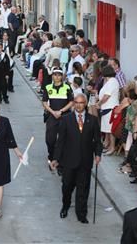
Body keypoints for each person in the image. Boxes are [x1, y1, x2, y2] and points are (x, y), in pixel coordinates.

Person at [51, 94, 102, 224]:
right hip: (69, 160)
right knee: (67, 186)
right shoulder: (66, 119)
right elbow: (60, 141)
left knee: (83, 188)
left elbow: (97, 141)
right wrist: (56, 158)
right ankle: (65, 206)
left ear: (85, 104)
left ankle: (81, 213)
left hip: (85, 161)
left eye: (81, 102)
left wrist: (98, 154)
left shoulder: (93, 120)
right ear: (74, 103)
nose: (79, 105)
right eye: (76, 102)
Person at [42, 68, 73, 170]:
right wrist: (53, 112)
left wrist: (61, 111)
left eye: (59, 75)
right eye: (55, 75)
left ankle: (60, 161)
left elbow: (71, 102)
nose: (57, 77)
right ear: (52, 76)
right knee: (50, 139)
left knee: (63, 139)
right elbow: (45, 102)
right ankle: (51, 156)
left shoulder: (67, 87)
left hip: (65, 116)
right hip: (52, 115)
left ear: (62, 76)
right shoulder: (48, 87)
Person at [95, 65, 120, 155]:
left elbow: (107, 96)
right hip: (106, 107)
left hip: (110, 107)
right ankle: (109, 145)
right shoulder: (109, 81)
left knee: (110, 130)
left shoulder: (112, 81)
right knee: (107, 129)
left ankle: (112, 147)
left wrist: (99, 103)